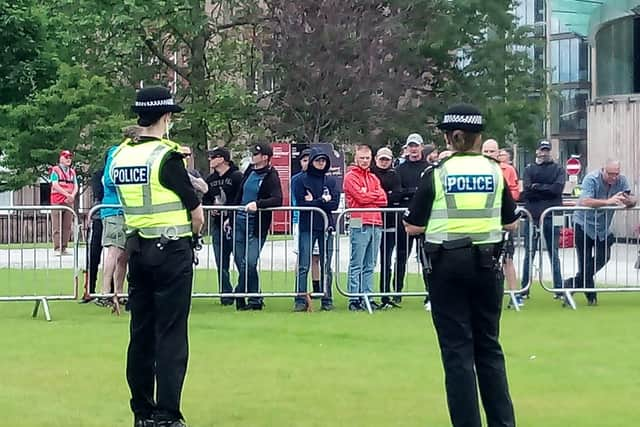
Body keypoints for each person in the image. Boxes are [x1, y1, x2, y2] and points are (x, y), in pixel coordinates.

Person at [403, 104, 518, 427]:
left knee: (457, 353)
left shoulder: (437, 174)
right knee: (489, 349)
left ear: (446, 137)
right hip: (487, 264)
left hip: (447, 267)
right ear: (479, 137)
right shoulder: (496, 171)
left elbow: (413, 226)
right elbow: (511, 223)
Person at [111, 86, 204, 427]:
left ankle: (142, 411)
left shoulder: (121, 156)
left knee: (141, 333)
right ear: (166, 117)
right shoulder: (166, 156)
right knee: (171, 334)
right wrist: (195, 235)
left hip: (138, 249)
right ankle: (167, 413)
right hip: (172, 250)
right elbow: (196, 213)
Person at [564, 159, 636, 305]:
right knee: (584, 261)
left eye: (616, 174)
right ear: (603, 170)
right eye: (611, 174)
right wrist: (608, 202)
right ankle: (591, 297)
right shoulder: (591, 179)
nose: (614, 177)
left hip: (602, 228)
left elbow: (631, 199)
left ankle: (571, 283)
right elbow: (585, 201)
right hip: (583, 225)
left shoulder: (621, 181)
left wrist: (629, 202)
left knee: (603, 257)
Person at [231, 142, 283, 311]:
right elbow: (240, 193)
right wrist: (230, 216)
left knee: (250, 262)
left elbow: (277, 199)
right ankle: (255, 298)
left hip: (256, 224)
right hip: (239, 221)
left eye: (256, 154)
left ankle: (239, 292)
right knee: (240, 261)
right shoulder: (249, 171)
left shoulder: (271, 176)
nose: (253, 156)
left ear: (265, 157)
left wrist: (258, 204)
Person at [291, 148, 340, 312]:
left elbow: (333, 204)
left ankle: (327, 298)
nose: (321, 163)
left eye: (323, 160)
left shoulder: (331, 181)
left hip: (326, 227)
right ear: (312, 161)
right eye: (318, 160)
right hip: (307, 226)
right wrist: (322, 201)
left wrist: (315, 201)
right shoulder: (300, 180)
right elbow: (302, 203)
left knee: (327, 265)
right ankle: (300, 298)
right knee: (304, 264)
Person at [343, 144, 387, 311]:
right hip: (358, 220)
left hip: (376, 222)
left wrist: (370, 196)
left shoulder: (374, 178)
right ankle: (354, 298)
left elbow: (384, 199)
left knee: (370, 263)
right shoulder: (350, 177)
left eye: (367, 158)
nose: (364, 161)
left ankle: (367, 295)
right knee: (357, 262)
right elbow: (360, 198)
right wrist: (372, 196)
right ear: (356, 158)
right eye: (362, 158)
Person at [520, 140, 565, 298]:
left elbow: (557, 189)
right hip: (532, 216)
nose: (544, 153)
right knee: (528, 253)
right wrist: (545, 189)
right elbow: (526, 190)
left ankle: (558, 289)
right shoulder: (529, 169)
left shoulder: (558, 169)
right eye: (542, 150)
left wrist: (537, 187)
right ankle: (524, 289)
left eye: (547, 150)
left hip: (551, 215)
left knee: (554, 253)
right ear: (537, 151)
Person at [203, 146, 243, 306]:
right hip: (218, 225)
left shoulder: (237, 176)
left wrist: (230, 215)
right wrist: (211, 208)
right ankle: (225, 294)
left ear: (222, 159)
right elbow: (205, 199)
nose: (210, 160)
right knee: (221, 261)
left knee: (241, 260)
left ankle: (247, 290)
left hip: (234, 224)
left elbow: (240, 198)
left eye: (213, 157)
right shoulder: (210, 180)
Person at [482, 139, 521, 307]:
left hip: (502, 220)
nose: (489, 154)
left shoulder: (508, 170)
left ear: (498, 153)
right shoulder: (477, 169)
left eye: (492, 151)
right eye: (486, 151)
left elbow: (515, 193)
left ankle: (514, 295)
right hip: (484, 221)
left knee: (508, 258)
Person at [396, 133, 430, 308]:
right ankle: (397, 292)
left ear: (421, 147)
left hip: (424, 219)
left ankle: (429, 293)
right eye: (411, 146)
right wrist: (415, 191)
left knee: (426, 258)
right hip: (406, 219)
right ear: (406, 148)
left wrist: (413, 192)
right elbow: (398, 192)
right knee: (401, 255)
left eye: (416, 146)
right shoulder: (400, 169)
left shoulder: (429, 168)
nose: (414, 149)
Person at [97, 144, 129, 310]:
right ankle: (105, 292)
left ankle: (119, 292)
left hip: (127, 211)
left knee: (123, 255)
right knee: (114, 251)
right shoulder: (116, 152)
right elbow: (108, 180)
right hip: (113, 210)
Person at [371, 147, 403, 309]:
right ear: (376, 159)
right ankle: (364, 295)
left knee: (386, 261)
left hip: (389, 224)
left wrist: (379, 197)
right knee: (367, 261)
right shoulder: (370, 173)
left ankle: (385, 295)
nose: (384, 162)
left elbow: (397, 194)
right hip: (370, 222)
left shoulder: (394, 175)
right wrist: (383, 196)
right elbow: (371, 196)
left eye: (387, 159)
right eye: (381, 159)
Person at [291, 149, 322, 296]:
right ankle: (300, 292)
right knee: (302, 257)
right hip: (300, 221)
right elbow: (301, 200)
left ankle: (317, 288)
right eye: (304, 160)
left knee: (316, 257)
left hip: (318, 222)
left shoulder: (321, 178)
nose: (307, 163)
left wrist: (316, 201)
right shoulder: (297, 179)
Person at [81, 165, 104, 303]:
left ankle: (111, 290)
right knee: (94, 255)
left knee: (114, 257)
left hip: (111, 216)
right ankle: (90, 289)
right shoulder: (99, 175)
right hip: (100, 217)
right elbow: (98, 194)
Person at [50, 149, 78, 255]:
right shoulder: (55, 170)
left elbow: (76, 185)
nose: (68, 159)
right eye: (66, 157)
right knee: (57, 225)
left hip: (68, 201)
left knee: (67, 225)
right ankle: (57, 248)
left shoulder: (72, 172)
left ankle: (64, 247)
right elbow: (55, 185)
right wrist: (67, 194)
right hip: (57, 200)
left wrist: (72, 195)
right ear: (61, 158)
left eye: (70, 157)